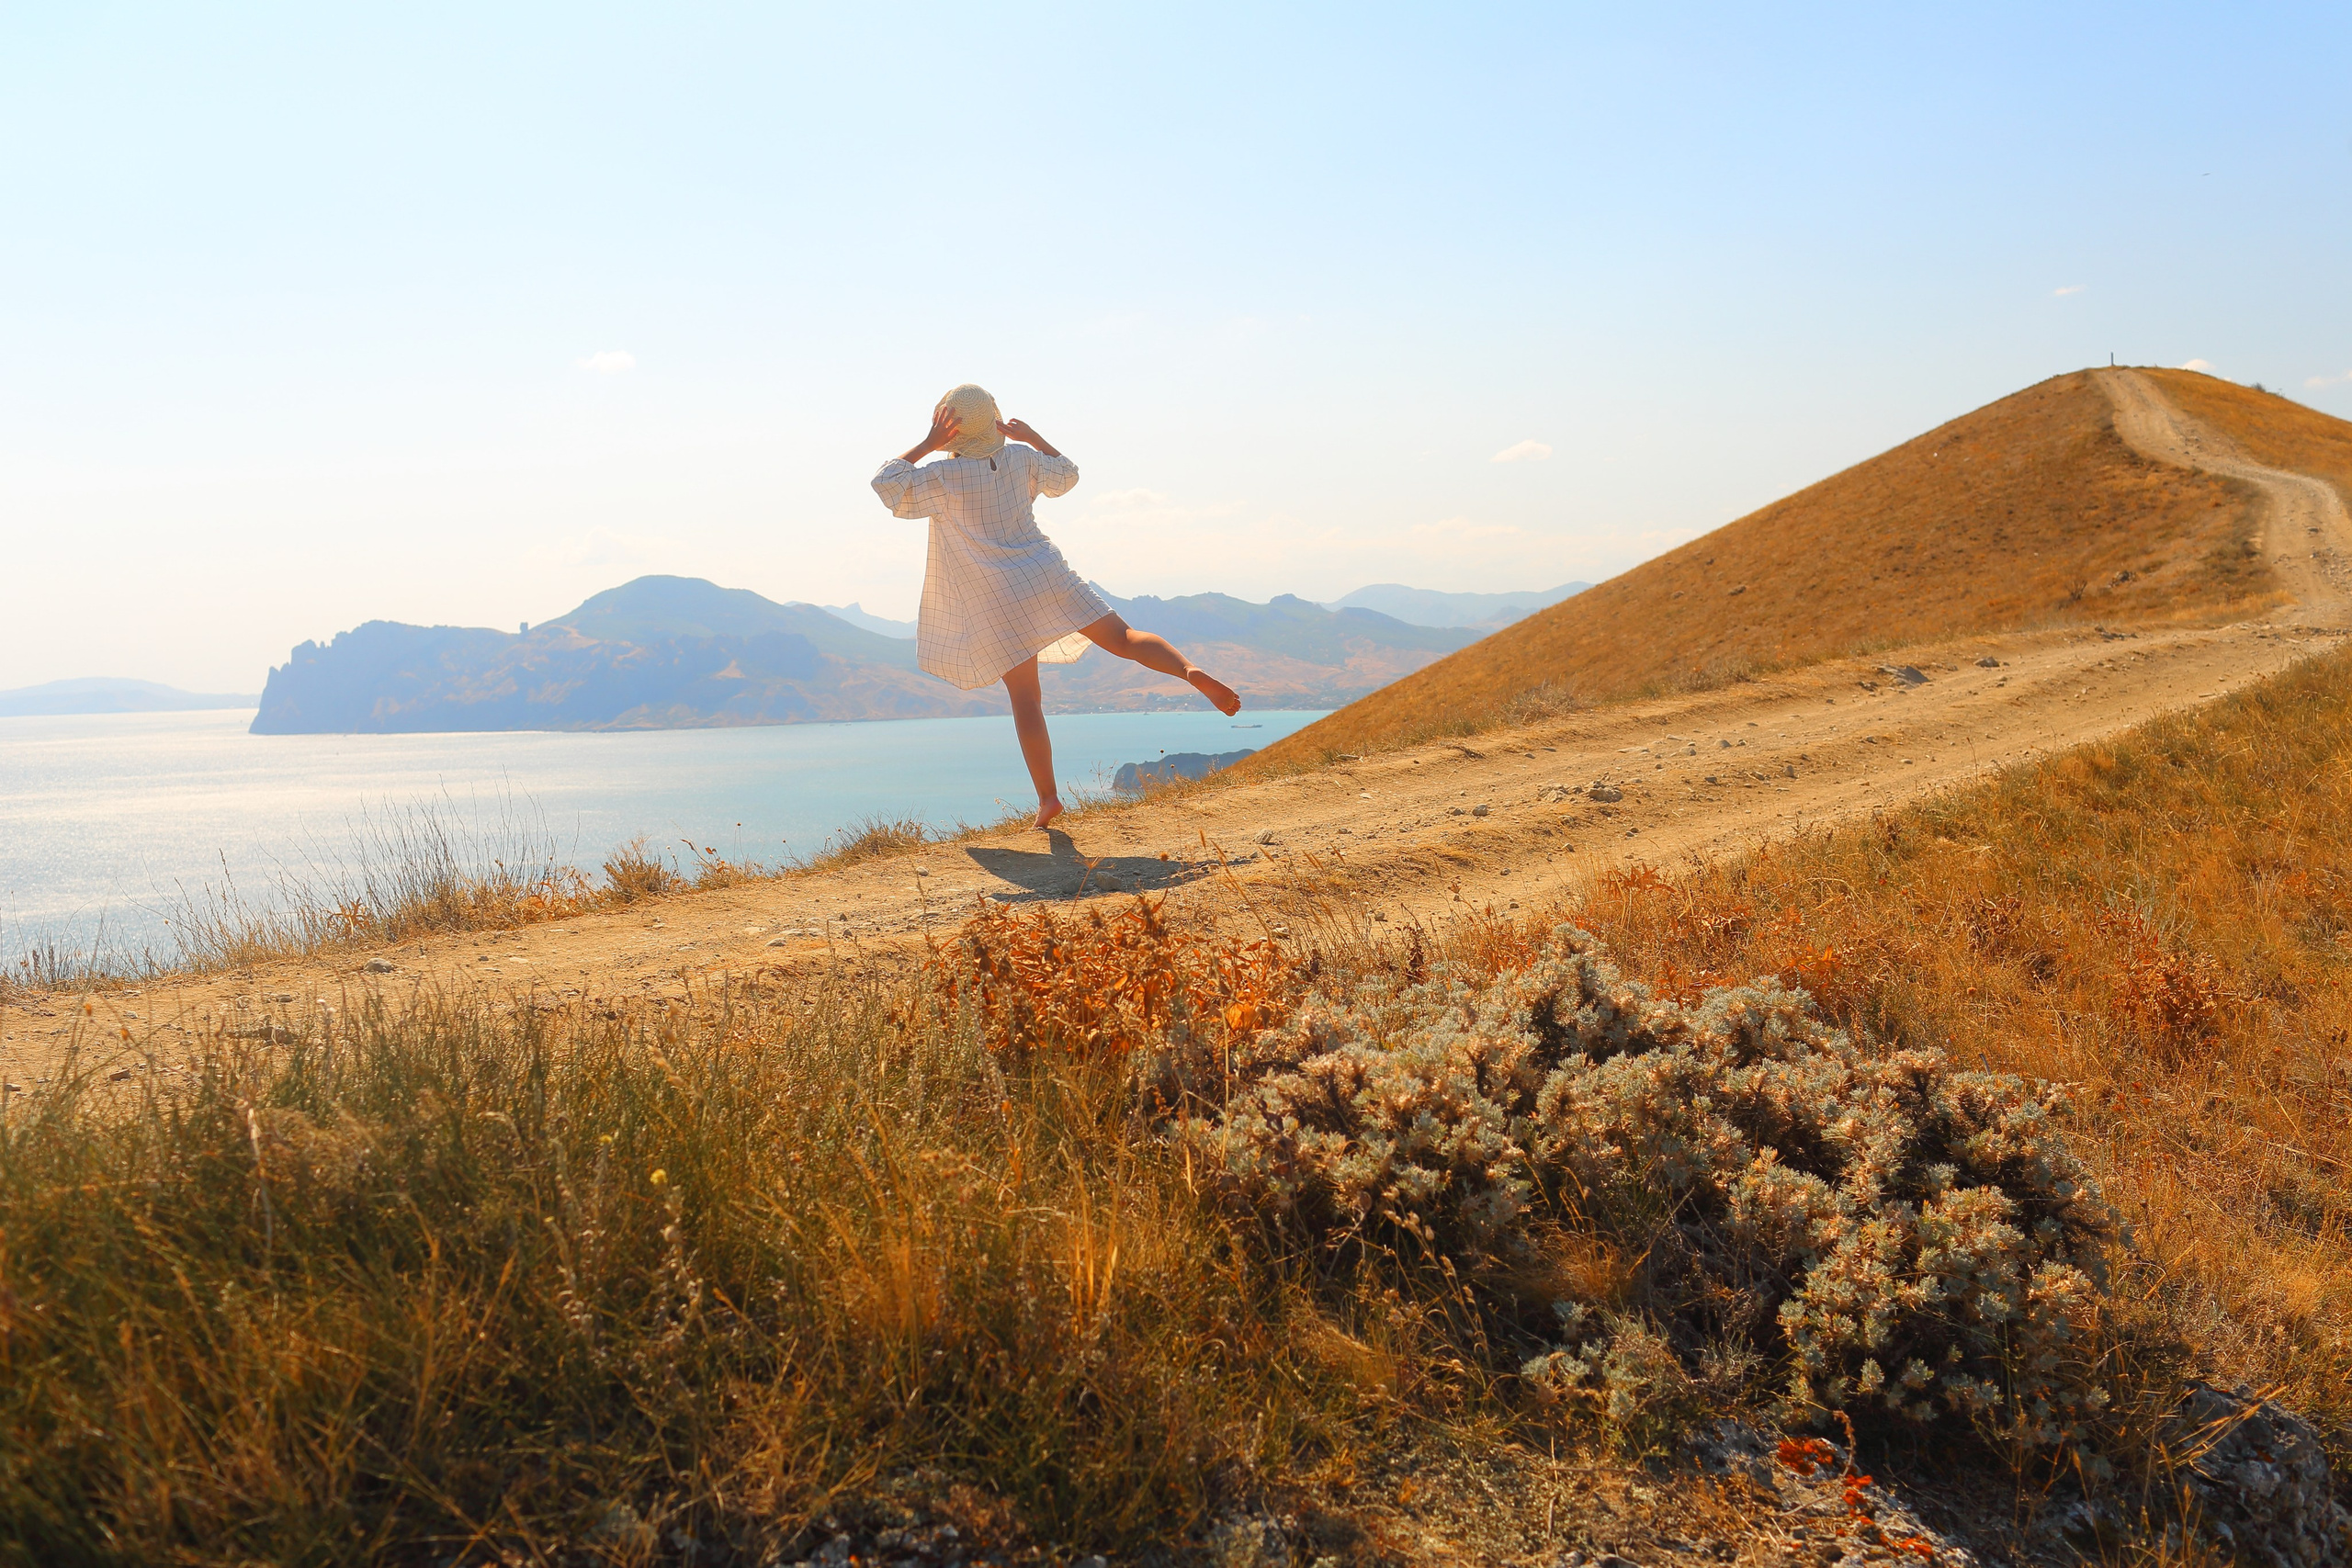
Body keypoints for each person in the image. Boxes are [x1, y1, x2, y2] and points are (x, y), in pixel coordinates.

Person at [873, 384, 1240, 829]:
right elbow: (1067, 474)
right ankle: (1190, 671)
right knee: (1125, 638)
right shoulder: (1022, 459)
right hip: (1045, 571)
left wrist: (929, 444)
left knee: (1026, 699)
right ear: (994, 421)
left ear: (948, 429)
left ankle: (1048, 799)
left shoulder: (941, 477)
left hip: (999, 594)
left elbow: (886, 483)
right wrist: (1033, 438)